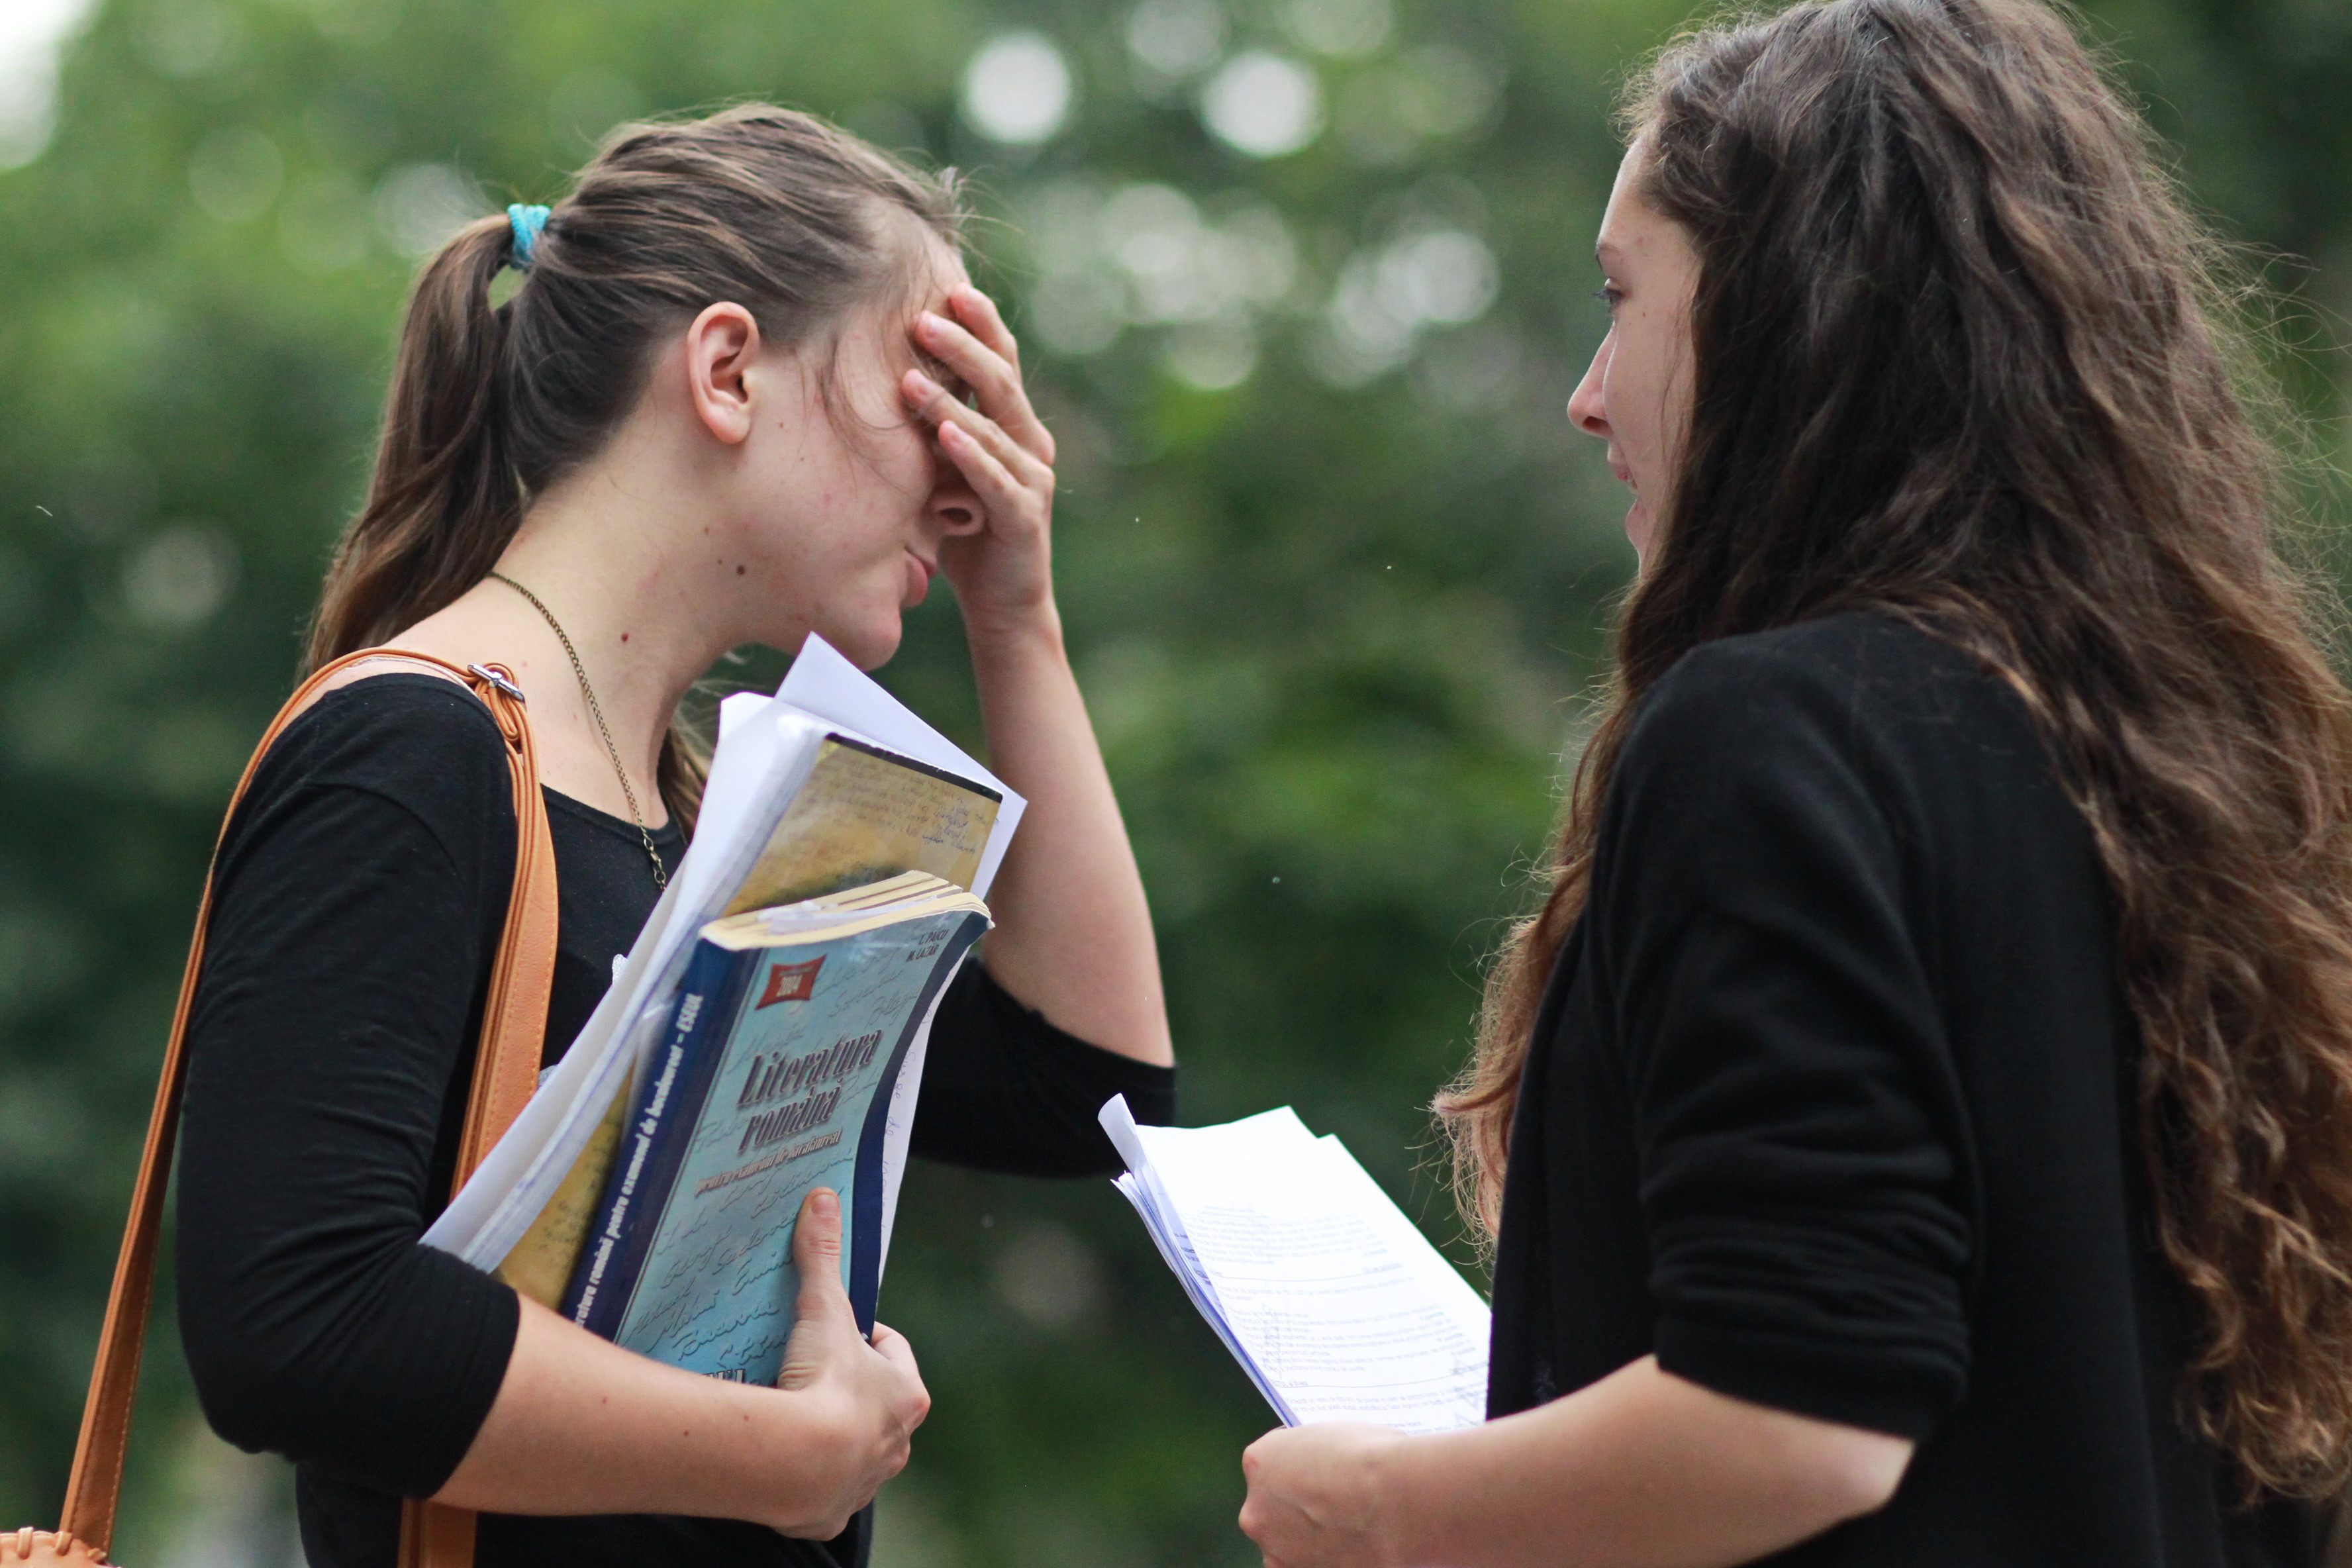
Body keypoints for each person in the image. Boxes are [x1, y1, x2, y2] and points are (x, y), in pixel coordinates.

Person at [1236, 1, 2352, 1563]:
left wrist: (1375, 1504)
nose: (1587, 389)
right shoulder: (2189, 760)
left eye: (1624, 298)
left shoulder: (1774, 737)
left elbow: (1803, 1410)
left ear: (1786, 316)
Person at [172, 105, 1175, 1568]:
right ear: (725, 371)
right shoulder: (408, 750)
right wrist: (794, 1454)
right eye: (930, 391)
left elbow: (1085, 1084)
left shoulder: (704, 813)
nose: (967, 474)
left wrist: (1016, 616)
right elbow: (295, 1318)